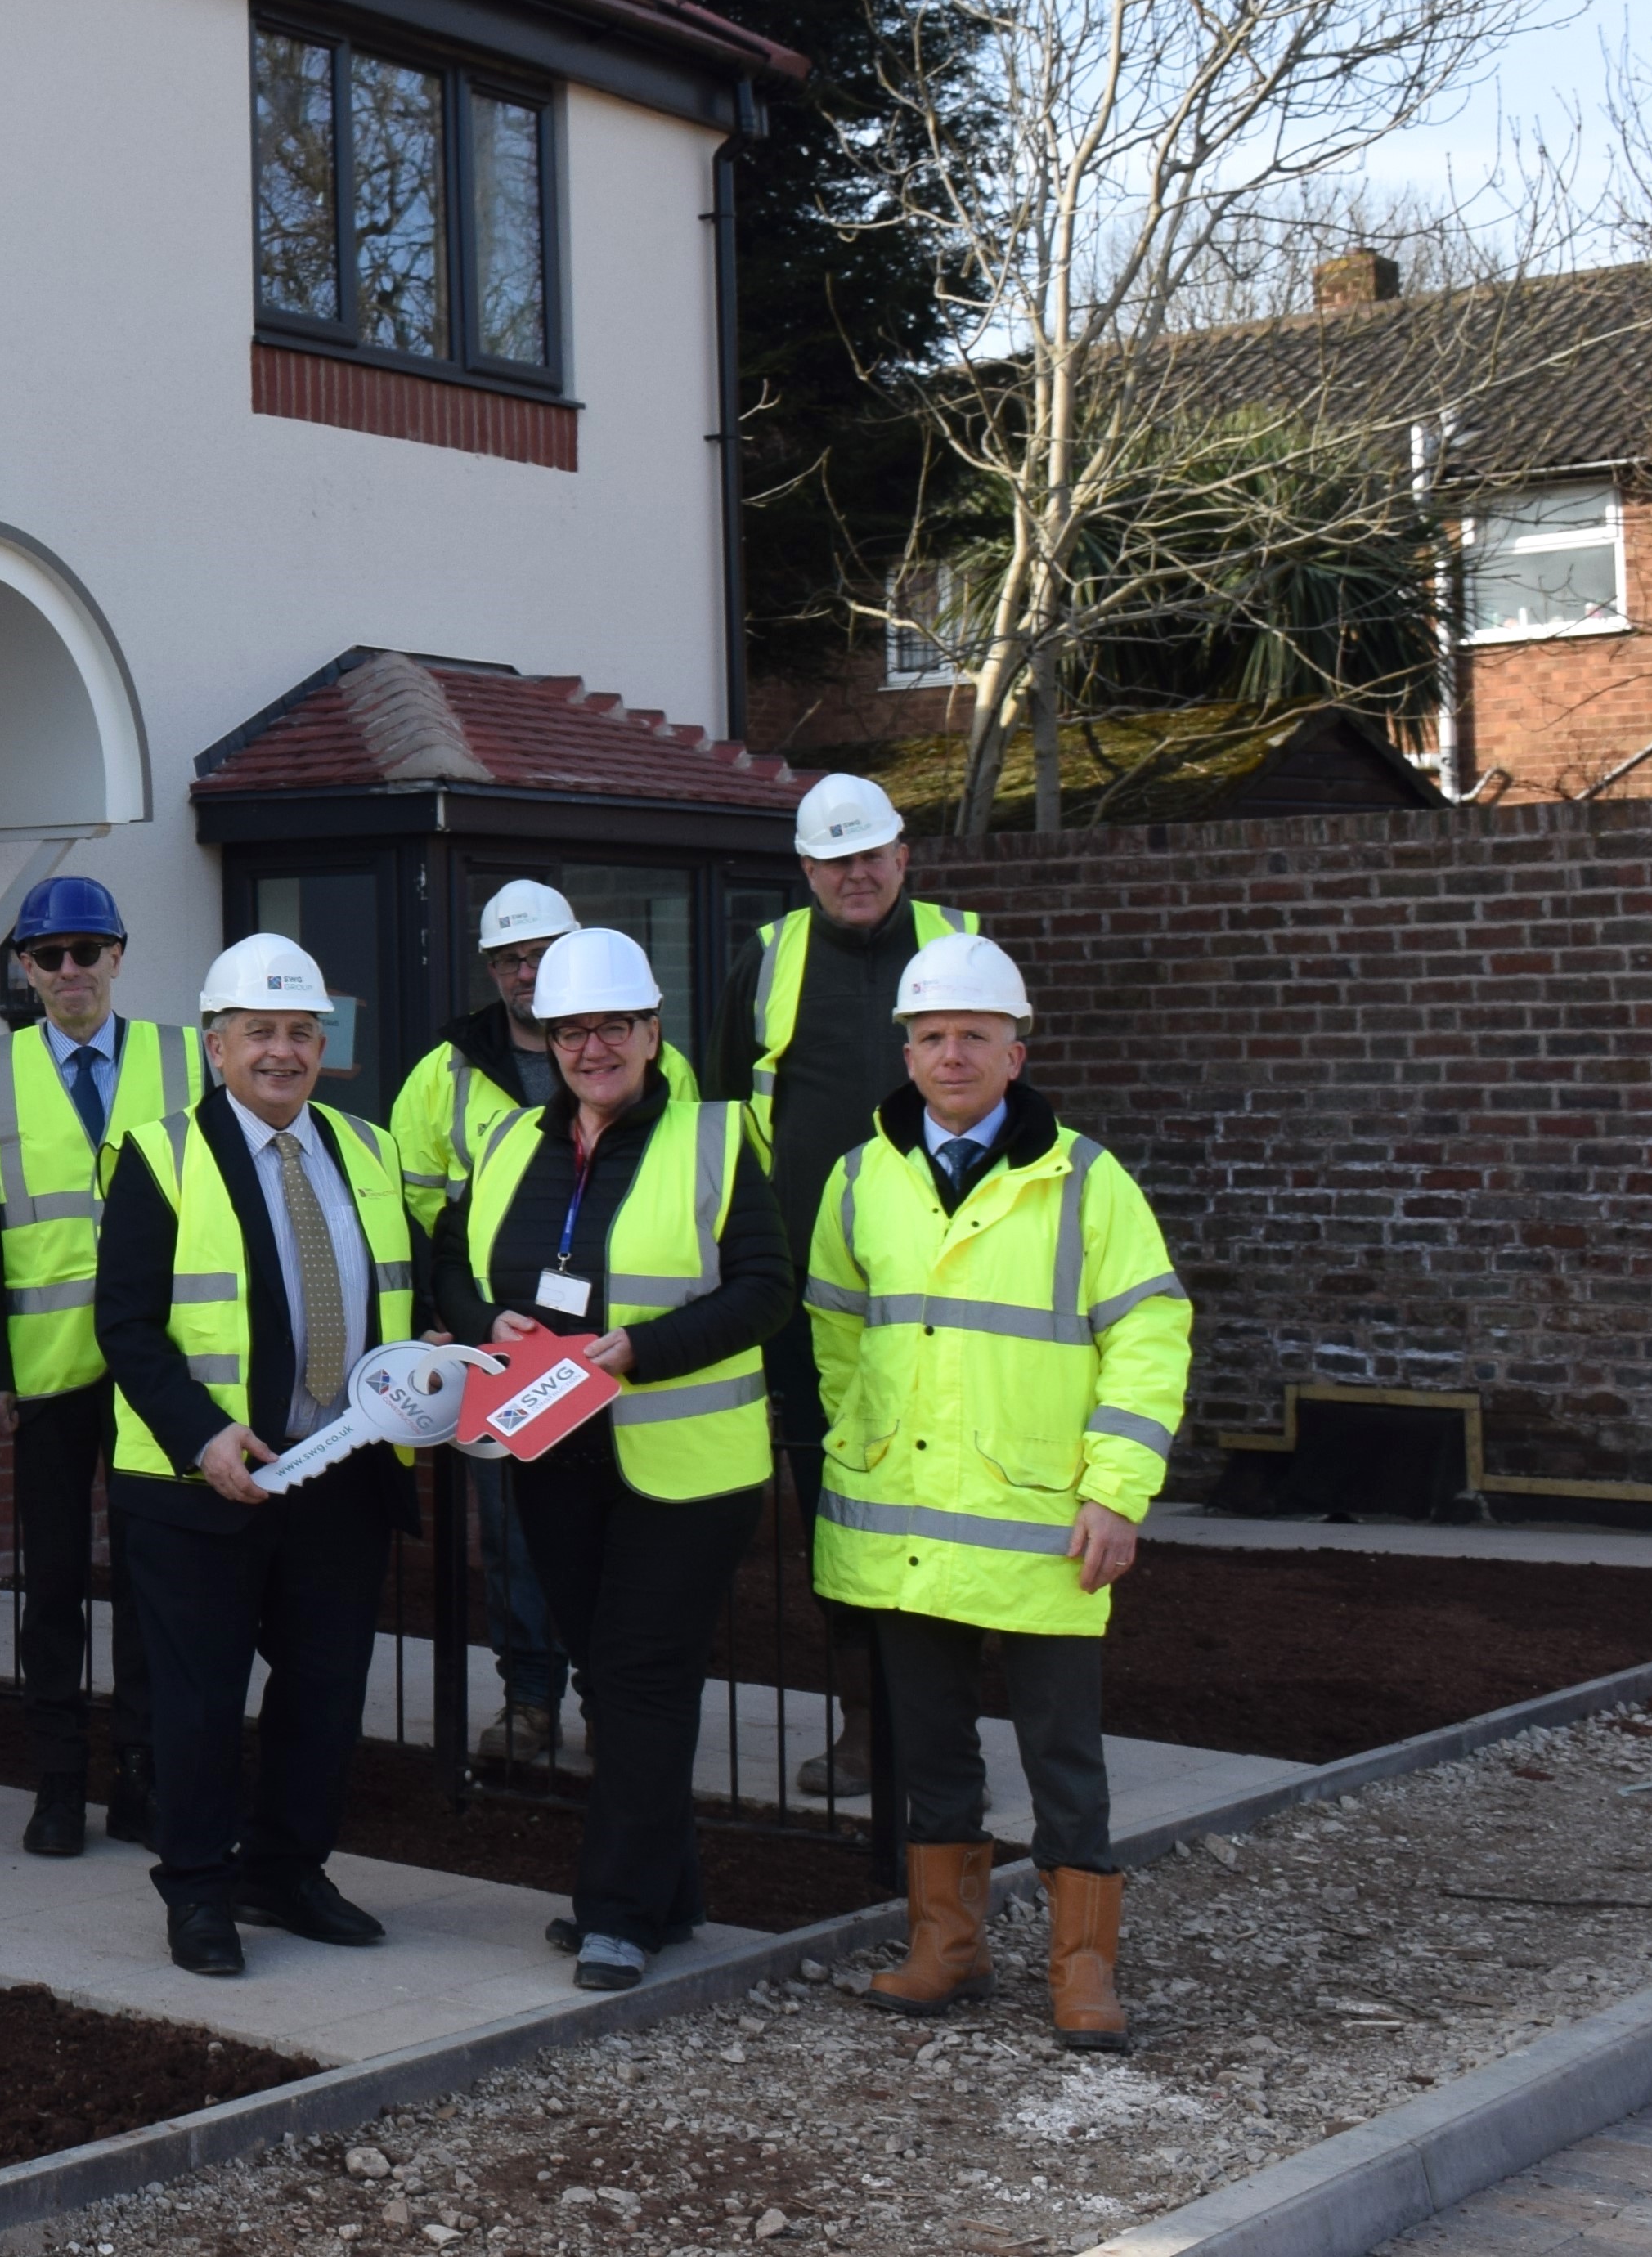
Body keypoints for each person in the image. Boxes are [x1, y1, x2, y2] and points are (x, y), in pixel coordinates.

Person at [806, 932, 1191, 2051]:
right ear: (907, 1053)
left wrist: (1116, 1492)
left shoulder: (1084, 1180)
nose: (951, 1054)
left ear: (1014, 1052)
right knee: (930, 1749)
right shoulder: (860, 1176)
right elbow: (836, 1332)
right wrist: (861, 1442)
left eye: (974, 1035)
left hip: (1042, 1523)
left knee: (1062, 1759)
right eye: (931, 1035)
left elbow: (1149, 1335)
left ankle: (1082, 1968)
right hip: (908, 1524)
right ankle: (947, 1946)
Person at [432, 927, 793, 1990]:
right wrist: (480, 1317)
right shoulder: (509, 1141)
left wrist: (642, 1348)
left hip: (684, 1467)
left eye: (613, 1026)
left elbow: (764, 1290)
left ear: (651, 1030)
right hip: (554, 1453)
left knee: (638, 1673)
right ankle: (669, 1892)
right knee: (610, 1673)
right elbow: (449, 1259)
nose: (591, 1047)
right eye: (570, 1030)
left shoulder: (715, 1138)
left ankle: (616, 1913)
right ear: (546, 1039)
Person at [96, 931, 416, 1977]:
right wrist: (201, 1434)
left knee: (325, 1691)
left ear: (323, 1044)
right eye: (259, 1031)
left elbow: (408, 1286)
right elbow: (125, 1324)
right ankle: (197, 1890)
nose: (282, 1050)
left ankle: (284, 1870)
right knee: (197, 1702)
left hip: (338, 1473)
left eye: (300, 1031)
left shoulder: (367, 1149)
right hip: (203, 1485)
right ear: (215, 1044)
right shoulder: (158, 1154)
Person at [712, 772, 983, 1798]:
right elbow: (725, 1116)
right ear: (804, 868)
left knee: (951, 1499)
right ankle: (867, 1722)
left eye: (868, 853)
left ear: (902, 855)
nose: (853, 874)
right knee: (840, 1502)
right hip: (806, 1293)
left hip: (946, 1280)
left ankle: (943, 1740)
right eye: (833, 859)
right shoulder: (767, 958)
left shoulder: (958, 946)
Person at [393, 881, 701, 1774]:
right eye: (507, 960)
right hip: (509, 1349)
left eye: (540, 954)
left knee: (620, 1536)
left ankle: (609, 1702)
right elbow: (418, 1212)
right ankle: (529, 1696)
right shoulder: (444, 1072)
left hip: (625, 1349)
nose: (525, 973)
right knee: (515, 1533)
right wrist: (461, 1313)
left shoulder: (662, 1064)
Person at [0, 873, 203, 1858]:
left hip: (160, 1370)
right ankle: (57, 1785)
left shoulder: (184, 1059)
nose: (70, 970)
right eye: (49, 955)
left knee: (152, 1584)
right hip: (46, 1375)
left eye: (86, 951)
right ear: (24, 967)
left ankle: (140, 1778)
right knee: (53, 1586)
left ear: (118, 957)